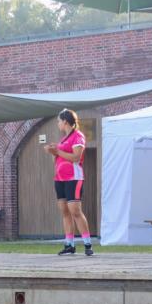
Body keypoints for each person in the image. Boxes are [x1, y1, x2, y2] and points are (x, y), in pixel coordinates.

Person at [44, 109, 93, 256]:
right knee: (65, 211)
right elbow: (58, 159)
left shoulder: (78, 136)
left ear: (65, 121)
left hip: (73, 178)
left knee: (75, 211)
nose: (58, 124)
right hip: (60, 179)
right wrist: (53, 152)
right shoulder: (63, 140)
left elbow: (76, 157)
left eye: (59, 121)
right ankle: (69, 244)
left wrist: (58, 152)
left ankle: (87, 244)